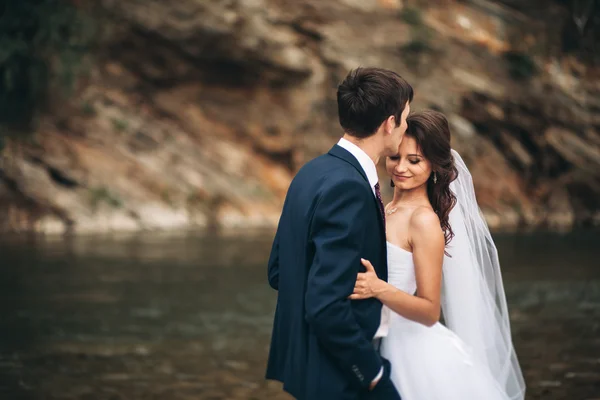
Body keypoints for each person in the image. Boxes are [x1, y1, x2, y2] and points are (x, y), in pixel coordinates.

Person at [351, 110, 526, 400]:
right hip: (370, 337)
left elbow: (430, 311)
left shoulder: (423, 221)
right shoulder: (383, 207)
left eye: (414, 160)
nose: (401, 168)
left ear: (434, 165)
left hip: (408, 348)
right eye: (395, 157)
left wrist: (378, 288)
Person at [266, 67, 413, 400]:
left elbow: (279, 272)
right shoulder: (349, 187)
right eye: (404, 120)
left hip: (309, 368)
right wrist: (373, 375)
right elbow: (325, 306)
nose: (404, 129)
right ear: (389, 123)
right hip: (340, 375)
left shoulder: (312, 171)